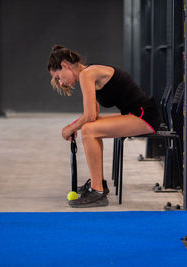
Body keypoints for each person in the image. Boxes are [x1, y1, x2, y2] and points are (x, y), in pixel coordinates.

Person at [47, 45, 162, 208]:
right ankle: (98, 183)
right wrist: (74, 126)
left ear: (65, 65)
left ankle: (97, 191)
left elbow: (89, 116)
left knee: (88, 129)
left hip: (144, 116)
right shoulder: (88, 74)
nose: (60, 82)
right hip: (135, 114)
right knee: (90, 127)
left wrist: (71, 128)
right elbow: (93, 113)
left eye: (58, 76)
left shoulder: (87, 74)